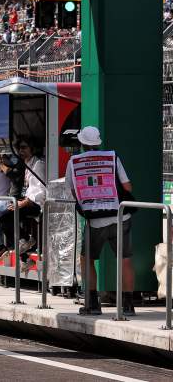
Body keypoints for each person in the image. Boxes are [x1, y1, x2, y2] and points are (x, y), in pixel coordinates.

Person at [65, 126, 135, 316]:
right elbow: (128, 186)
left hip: (95, 220)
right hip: (121, 215)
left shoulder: (74, 163)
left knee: (87, 259)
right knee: (125, 260)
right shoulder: (112, 157)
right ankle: (128, 306)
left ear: (81, 143)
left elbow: (73, 191)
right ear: (98, 142)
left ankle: (92, 304)